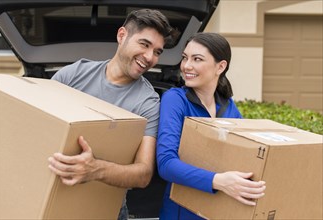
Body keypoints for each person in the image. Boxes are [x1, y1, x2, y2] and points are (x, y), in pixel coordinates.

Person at [47, 8, 177, 220]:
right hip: (53, 196)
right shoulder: (75, 74)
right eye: (144, 44)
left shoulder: (148, 102)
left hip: (108, 210)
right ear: (121, 35)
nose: (149, 57)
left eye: (157, 51)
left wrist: (94, 169)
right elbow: (37, 122)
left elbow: (143, 174)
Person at [156, 32, 266, 219]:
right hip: (182, 212)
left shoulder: (228, 107)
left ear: (220, 66)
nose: (186, 66)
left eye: (197, 59)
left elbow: (245, 157)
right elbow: (166, 164)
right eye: (184, 58)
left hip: (221, 210)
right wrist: (219, 181)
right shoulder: (175, 100)